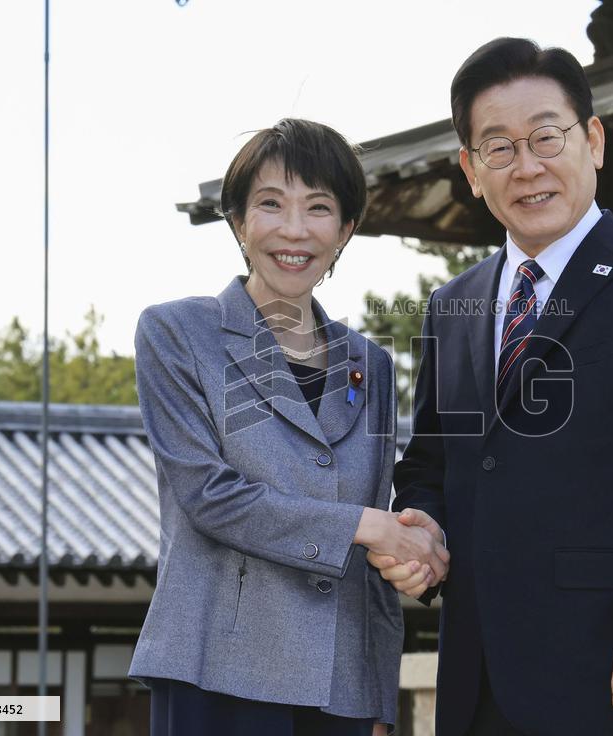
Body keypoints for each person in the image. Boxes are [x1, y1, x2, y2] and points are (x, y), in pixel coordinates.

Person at [368, 38, 613, 735]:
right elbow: (431, 464)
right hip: (479, 679)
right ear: (471, 171)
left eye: (546, 136)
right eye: (500, 148)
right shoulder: (453, 305)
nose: (528, 166)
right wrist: (421, 531)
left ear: (593, 140)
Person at [129, 118, 449, 736]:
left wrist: (380, 693)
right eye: (271, 204)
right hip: (216, 670)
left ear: (346, 230)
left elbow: (375, 534)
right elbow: (209, 496)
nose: (294, 230)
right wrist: (366, 525)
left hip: (341, 687)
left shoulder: (371, 365)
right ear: (238, 222)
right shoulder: (176, 333)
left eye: (319, 208)